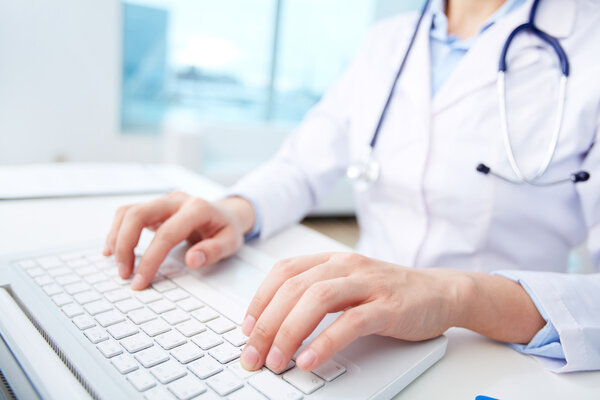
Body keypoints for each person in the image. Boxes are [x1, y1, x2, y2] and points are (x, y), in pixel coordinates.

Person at [104, 0, 600, 374]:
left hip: (499, 354)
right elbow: (302, 163)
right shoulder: (388, 41)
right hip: (360, 335)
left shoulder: (589, 41)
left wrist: (456, 295)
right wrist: (234, 211)